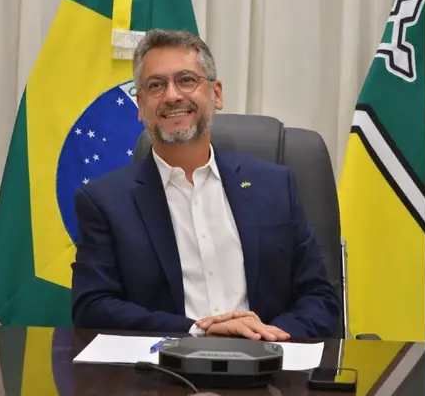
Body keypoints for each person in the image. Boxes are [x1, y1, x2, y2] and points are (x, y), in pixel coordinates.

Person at [70, 29, 340, 339]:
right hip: (164, 362)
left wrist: (265, 339)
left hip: (269, 358)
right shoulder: (104, 201)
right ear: (141, 106)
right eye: (156, 85)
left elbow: (319, 297)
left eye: (186, 80)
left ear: (216, 94)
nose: (172, 96)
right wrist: (197, 331)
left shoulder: (276, 186)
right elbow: (93, 307)